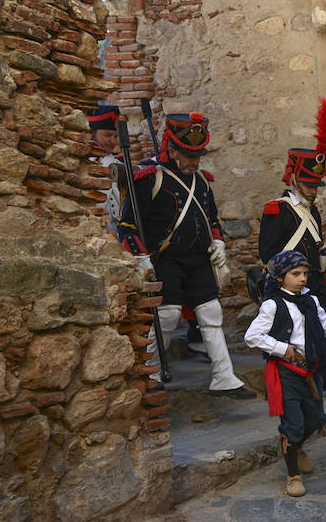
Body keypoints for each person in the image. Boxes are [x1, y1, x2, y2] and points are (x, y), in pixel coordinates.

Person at [118, 112, 254, 399]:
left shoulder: (202, 182)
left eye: (198, 155)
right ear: (172, 149)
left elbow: (212, 220)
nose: (195, 160)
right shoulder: (148, 177)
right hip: (164, 259)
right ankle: (152, 371)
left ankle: (223, 376)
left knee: (211, 312)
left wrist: (218, 243)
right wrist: (139, 256)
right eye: (189, 154)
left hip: (198, 259)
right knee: (167, 316)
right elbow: (128, 226)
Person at [258, 98, 326, 394]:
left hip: (315, 277)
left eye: (315, 185)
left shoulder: (314, 211)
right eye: (309, 185)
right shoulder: (277, 209)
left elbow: (319, 245)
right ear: (295, 179)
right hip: (289, 278)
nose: (313, 190)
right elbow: (268, 251)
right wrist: (284, 278)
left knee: (325, 320)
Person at [245, 250, 326, 496]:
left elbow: (325, 328)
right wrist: (282, 348)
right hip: (286, 373)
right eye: (295, 274)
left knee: (316, 419)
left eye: (304, 273)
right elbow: (252, 337)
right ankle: (293, 475)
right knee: (293, 424)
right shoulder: (272, 305)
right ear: (281, 277)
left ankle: (297, 447)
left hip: (311, 371)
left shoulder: (311, 300)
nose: (302, 278)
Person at [88, 104, 124, 235]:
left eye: (115, 136)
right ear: (90, 133)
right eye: (108, 135)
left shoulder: (118, 164)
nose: (113, 141)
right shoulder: (82, 162)